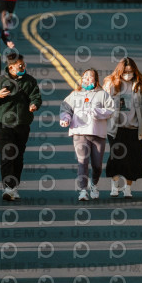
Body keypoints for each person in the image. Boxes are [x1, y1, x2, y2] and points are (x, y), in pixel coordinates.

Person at [0, 54, 41, 201]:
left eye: (24, 65)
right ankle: (8, 188)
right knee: (8, 154)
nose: (23, 67)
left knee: (18, 156)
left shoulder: (29, 81)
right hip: (3, 123)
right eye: (20, 66)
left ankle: (14, 187)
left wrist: (34, 104)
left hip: (22, 124)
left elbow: (36, 96)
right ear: (11, 67)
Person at [103, 57, 142, 199]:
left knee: (134, 159)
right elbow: (102, 103)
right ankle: (115, 185)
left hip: (133, 129)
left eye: (130, 72)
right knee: (117, 157)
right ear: (119, 72)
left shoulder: (140, 86)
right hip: (116, 128)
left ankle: (127, 188)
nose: (128, 75)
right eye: (125, 72)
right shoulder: (111, 84)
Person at [60, 69, 115, 201]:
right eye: (85, 77)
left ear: (96, 80)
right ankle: (83, 190)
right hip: (79, 133)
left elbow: (111, 110)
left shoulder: (102, 94)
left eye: (90, 77)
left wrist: (97, 112)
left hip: (97, 133)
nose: (87, 79)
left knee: (97, 165)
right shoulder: (75, 94)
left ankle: (94, 184)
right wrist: (66, 118)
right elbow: (66, 108)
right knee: (82, 162)